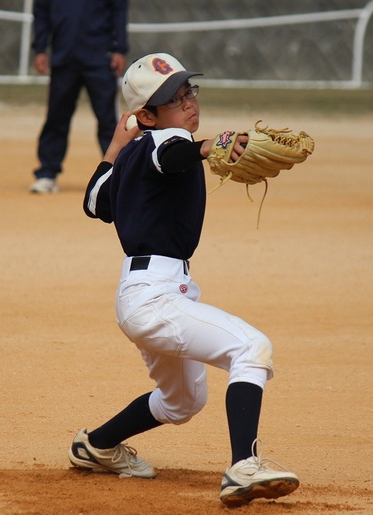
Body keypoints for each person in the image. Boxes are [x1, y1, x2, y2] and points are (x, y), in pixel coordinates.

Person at [69, 53, 300, 507]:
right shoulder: (165, 140)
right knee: (250, 348)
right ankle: (243, 467)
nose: (187, 103)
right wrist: (209, 145)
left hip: (142, 296)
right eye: (172, 100)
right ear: (147, 115)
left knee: (182, 402)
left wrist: (116, 148)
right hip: (156, 297)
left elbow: (96, 204)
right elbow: (175, 150)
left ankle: (95, 445)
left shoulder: (133, 154)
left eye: (188, 91)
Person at [29, 0, 128, 194]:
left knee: (109, 121)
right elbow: (41, 10)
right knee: (56, 118)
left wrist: (120, 48)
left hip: (100, 58)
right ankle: (47, 173)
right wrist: (40, 48)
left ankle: (120, 174)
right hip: (63, 57)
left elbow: (119, 9)